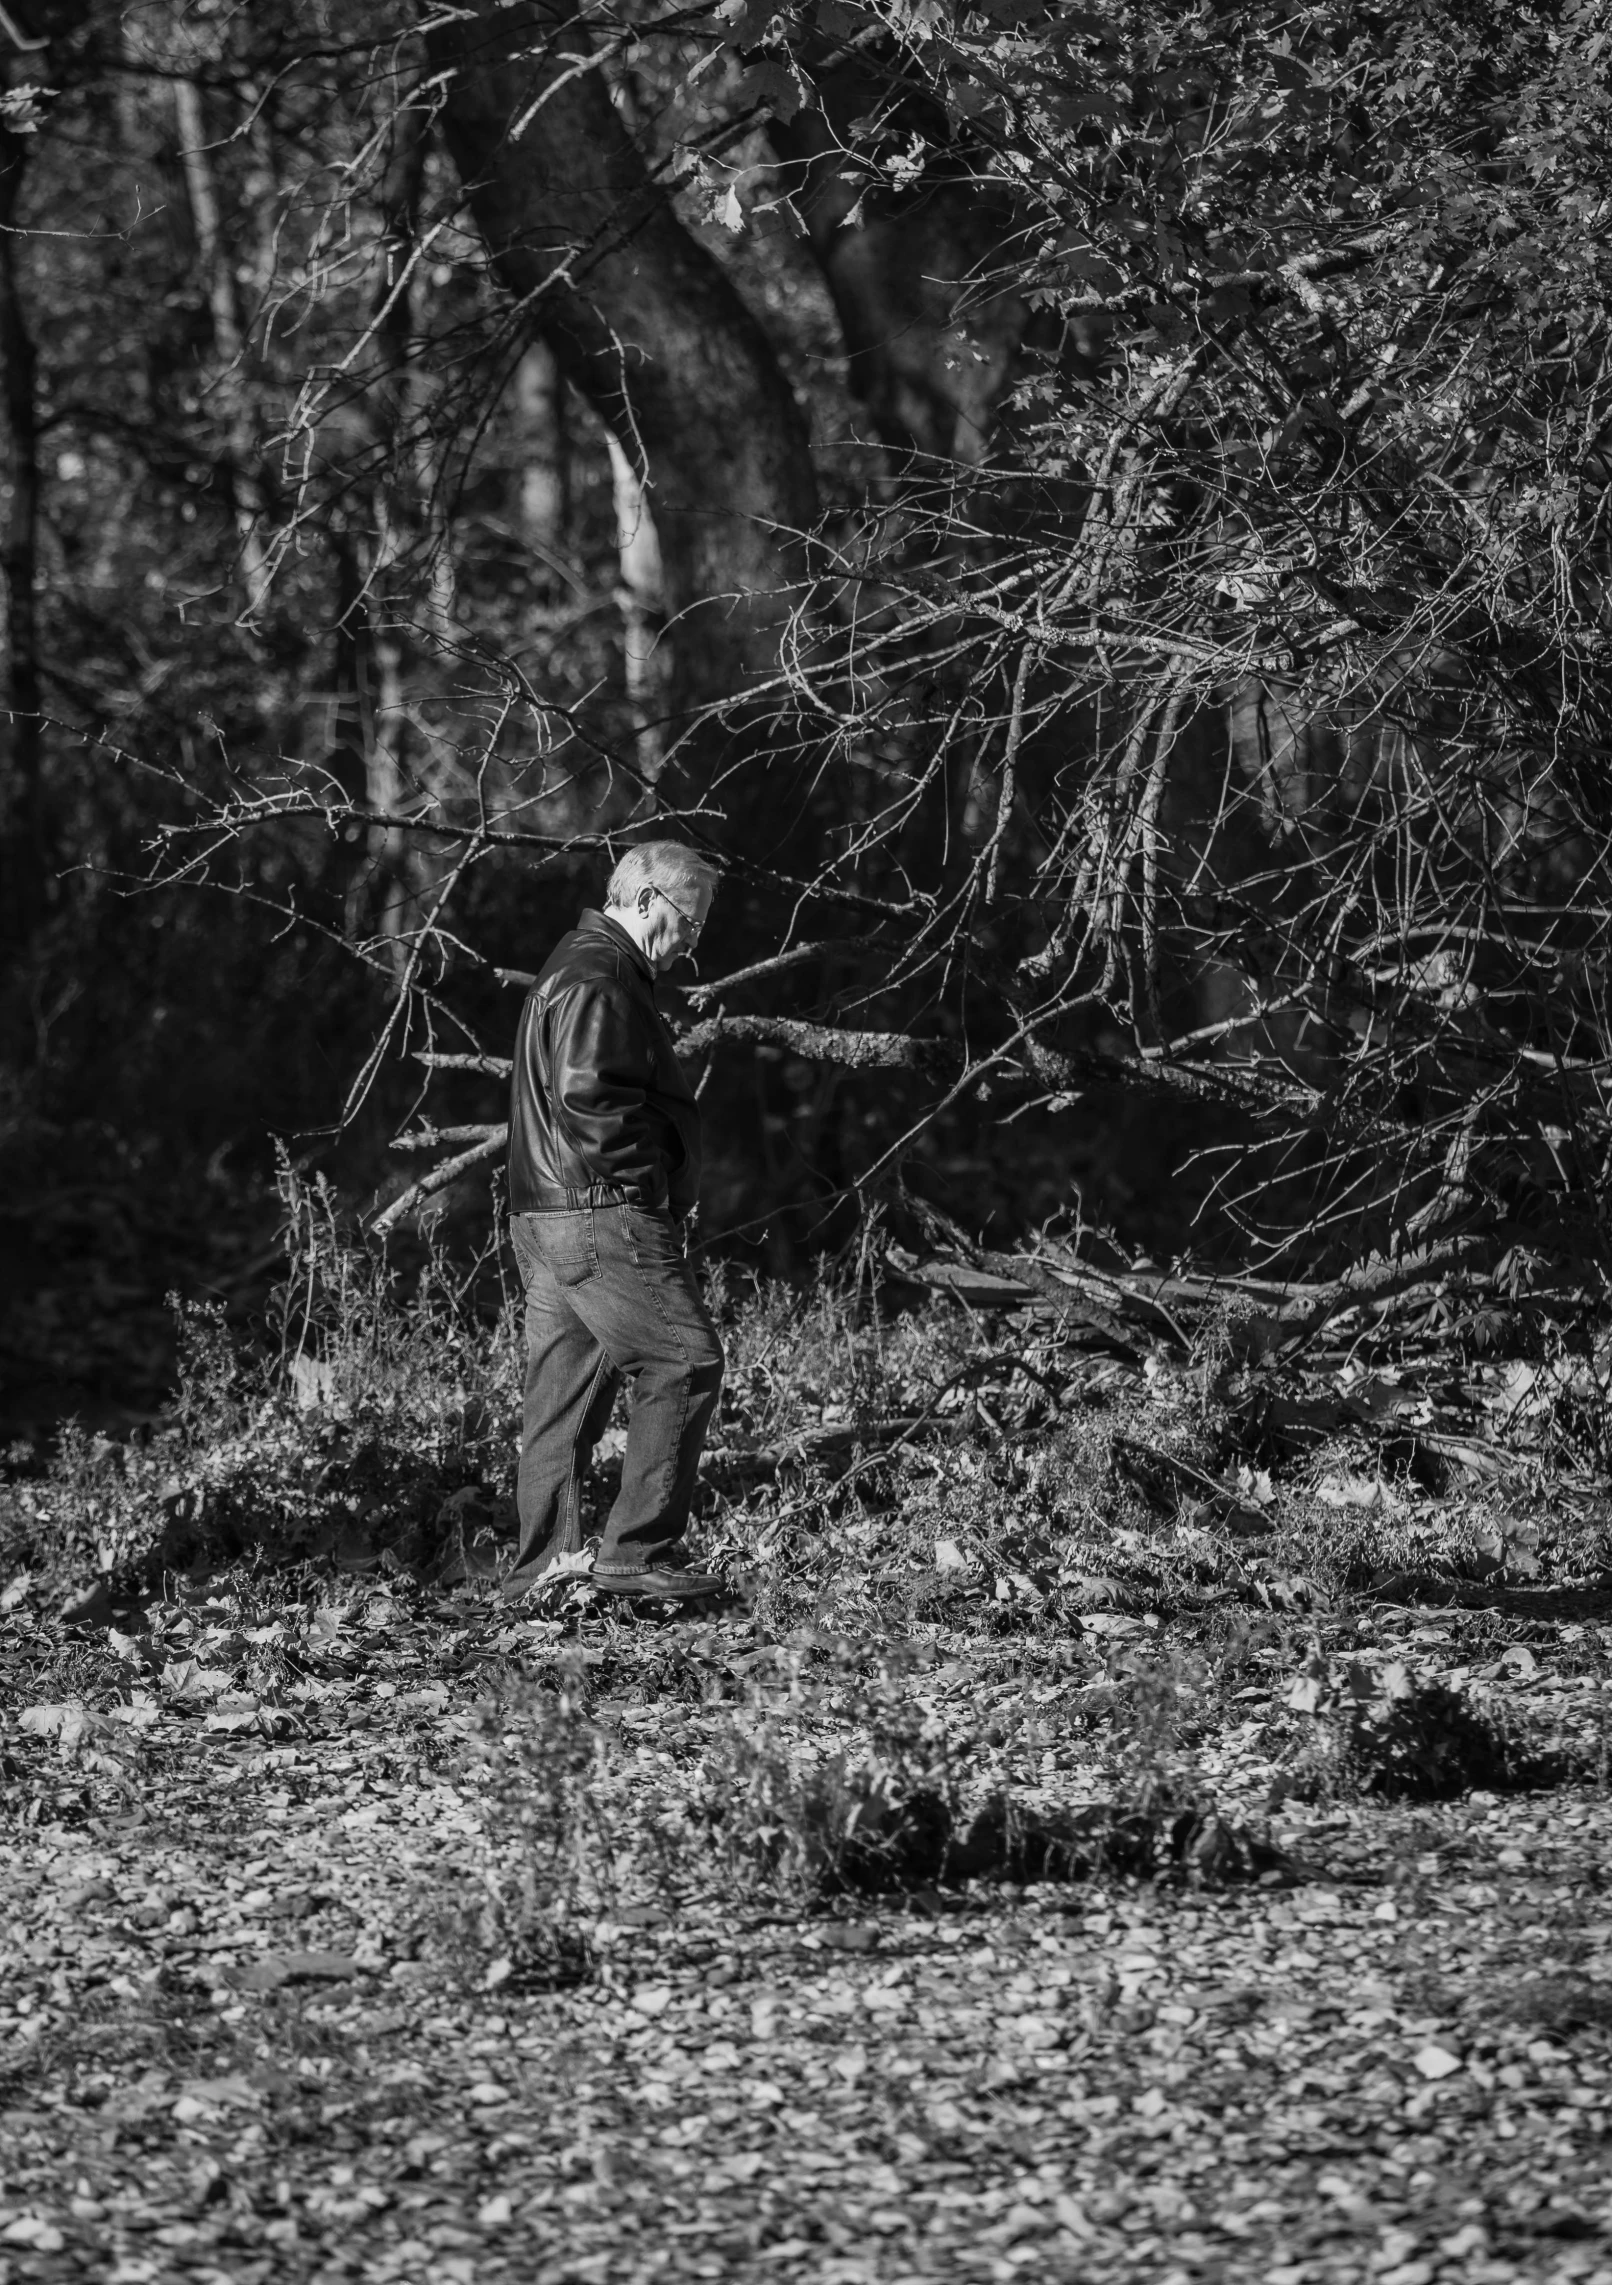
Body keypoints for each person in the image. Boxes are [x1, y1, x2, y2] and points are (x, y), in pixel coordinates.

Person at [503, 842, 725, 1601]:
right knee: (683, 1361)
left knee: (561, 1400)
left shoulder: (578, 966)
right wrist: (650, 1189)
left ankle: (542, 1574)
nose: (693, 941)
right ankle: (636, 1555)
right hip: (601, 1214)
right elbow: (591, 1099)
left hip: (549, 1212)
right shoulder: (600, 978)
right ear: (643, 900)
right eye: (688, 921)